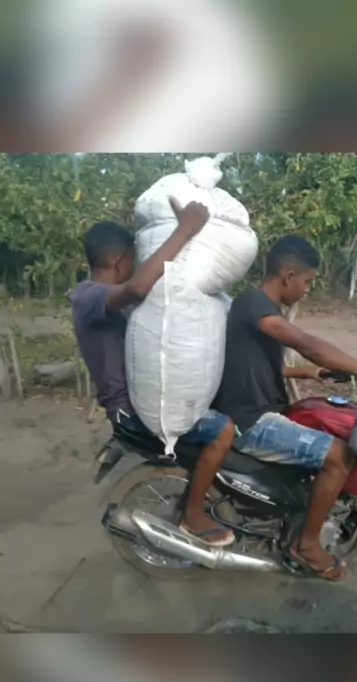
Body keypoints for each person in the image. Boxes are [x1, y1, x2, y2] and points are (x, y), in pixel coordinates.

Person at [214, 235, 357, 579]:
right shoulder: (254, 303)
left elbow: (253, 364)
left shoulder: (260, 307)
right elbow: (307, 343)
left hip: (257, 410)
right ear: (288, 275)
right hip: (252, 421)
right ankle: (306, 545)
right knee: (339, 457)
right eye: (307, 282)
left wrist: (302, 372)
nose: (307, 290)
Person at [70, 199, 235, 547]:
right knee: (223, 430)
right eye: (133, 259)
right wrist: (185, 229)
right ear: (118, 260)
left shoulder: (112, 298)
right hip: (130, 411)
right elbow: (137, 287)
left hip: (141, 398)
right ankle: (192, 516)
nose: (136, 266)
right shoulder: (89, 297)